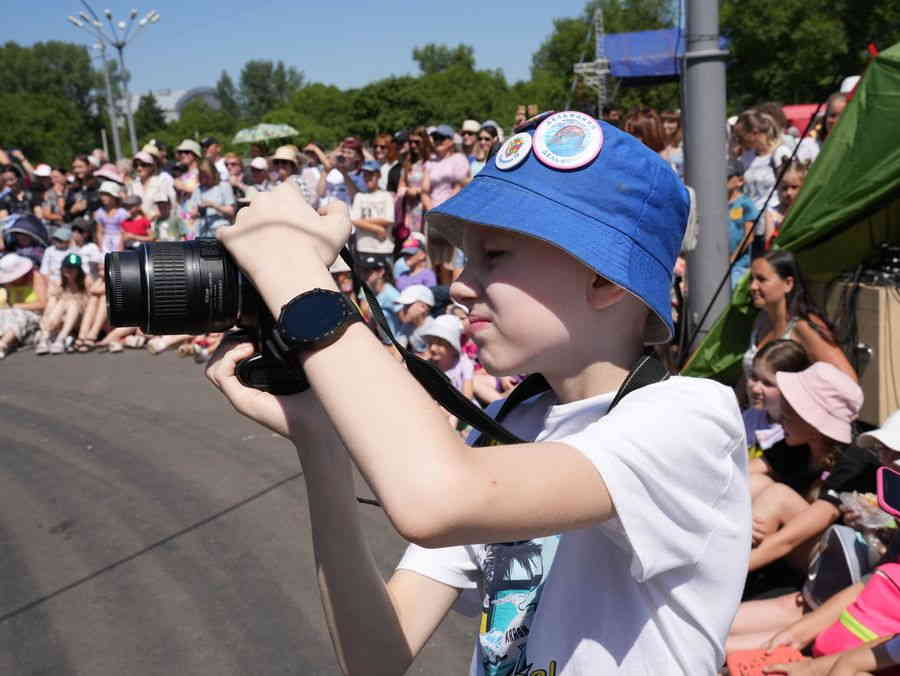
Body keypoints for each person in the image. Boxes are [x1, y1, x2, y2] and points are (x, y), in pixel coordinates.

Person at [206, 113, 751, 674]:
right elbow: (374, 655)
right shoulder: (509, 424)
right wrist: (320, 443)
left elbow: (437, 499)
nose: (461, 284)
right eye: (467, 258)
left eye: (495, 256)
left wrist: (290, 268)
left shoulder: (689, 419)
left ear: (605, 278)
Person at [745, 250, 856, 381]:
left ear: (788, 284)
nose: (752, 286)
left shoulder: (803, 328)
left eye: (761, 279)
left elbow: (849, 381)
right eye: (752, 279)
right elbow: (748, 376)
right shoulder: (761, 319)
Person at [736, 111, 792, 211]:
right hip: (750, 218)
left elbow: (790, 185)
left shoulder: (780, 153)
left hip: (772, 215)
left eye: (740, 137)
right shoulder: (746, 156)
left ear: (754, 133)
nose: (738, 141)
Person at [35, 252, 89, 354]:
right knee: (55, 301)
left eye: (73, 268)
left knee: (72, 302)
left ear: (79, 270)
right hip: (60, 319)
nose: (69, 270)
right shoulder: (59, 283)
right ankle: (45, 337)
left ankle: (60, 338)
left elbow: (87, 305)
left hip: (78, 319)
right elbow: (51, 306)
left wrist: (72, 298)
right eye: (67, 267)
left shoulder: (85, 282)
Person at [0, 253, 46, 359]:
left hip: (35, 315)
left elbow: (43, 304)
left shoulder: (35, 277)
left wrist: (19, 306)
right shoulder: (8, 283)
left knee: (19, 314)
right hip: (13, 313)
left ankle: (3, 344)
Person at [350, 160, 395, 266]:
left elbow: (388, 220)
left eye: (371, 174)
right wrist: (377, 228)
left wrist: (362, 222)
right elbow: (354, 221)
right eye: (365, 175)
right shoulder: (359, 196)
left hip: (383, 248)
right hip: (363, 247)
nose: (367, 177)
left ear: (378, 175)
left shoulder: (386, 196)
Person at [727, 158, 760, 288]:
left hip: (739, 265)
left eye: (727, 177)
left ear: (740, 181)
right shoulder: (716, 204)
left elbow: (749, 237)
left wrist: (732, 259)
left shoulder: (746, 204)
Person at [763, 160, 810, 249]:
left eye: (794, 187)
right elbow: (769, 244)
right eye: (784, 188)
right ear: (777, 188)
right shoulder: (771, 213)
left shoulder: (807, 208)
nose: (789, 192)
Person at [187, 159, 236, 239]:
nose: (204, 179)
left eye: (206, 176)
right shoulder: (198, 189)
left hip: (221, 231)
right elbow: (192, 213)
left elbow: (231, 211)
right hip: (203, 233)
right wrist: (198, 211)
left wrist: (213, 205)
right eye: (202, 175)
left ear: (213, 173)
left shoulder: (224, 186)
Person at [397, 127, 432, 234]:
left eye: (417, 142)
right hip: (409, 211)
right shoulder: (408, 163)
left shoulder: (431, 162)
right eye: (411, 142)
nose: (413, 145)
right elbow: (401, 187)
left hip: (426, 209)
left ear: (425, 142)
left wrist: (418, 191)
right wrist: (407, 190)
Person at [425, 124, 469, 210]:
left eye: (441, 138)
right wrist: (431, 210)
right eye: (435, 138)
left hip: (452, 211)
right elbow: (424, 191)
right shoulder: (430, 162)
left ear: (451, 141)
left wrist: (443, 210)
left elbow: (459, 186)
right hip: (432, 212)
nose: (438, 141)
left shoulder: (459, 159)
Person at [357, 254, 401, 338]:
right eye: (363, 271)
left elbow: (404, 322)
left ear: (381, 272)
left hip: (397, 344)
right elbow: (367, 315)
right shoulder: (364, 290)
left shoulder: (392, 295)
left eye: (368, 271)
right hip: (382, 342)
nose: (364, 275)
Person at [130, 150, 171, 220]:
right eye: (136, 165)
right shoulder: (132, 185)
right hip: (138, 227)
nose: (139, 168)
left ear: (151, 166)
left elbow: (165, 211)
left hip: (157, 226)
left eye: (143, 164)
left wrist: (151, 215)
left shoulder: (160, 182)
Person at [94, 181, 128, 253]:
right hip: (105, 241)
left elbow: (124, 232)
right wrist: (101, 246)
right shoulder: (99, 212)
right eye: (102, 195)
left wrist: (120, 245)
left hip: (118, 242)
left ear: (114, 196)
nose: (103, 197)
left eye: (106, 195)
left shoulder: (122, 213)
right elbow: (99, 231)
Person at [660, 110, 684, 178]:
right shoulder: (657, 142)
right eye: (663, 122)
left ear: (678, 124)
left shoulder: (683, 144)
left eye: (670, 122)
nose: (665, 125)